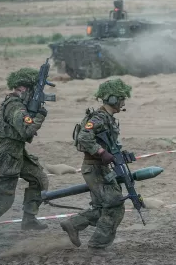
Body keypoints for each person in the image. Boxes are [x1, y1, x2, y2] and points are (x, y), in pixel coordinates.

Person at [0, 68, 50, 241]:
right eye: (31, 90)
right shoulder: (15, 107)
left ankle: (29, 219)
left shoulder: (17, 105)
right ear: (22, 89)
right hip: (6, 155)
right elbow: (27, 132)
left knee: (39, 179)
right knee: (4, 198)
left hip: (17, 152)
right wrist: (39, 117)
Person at [59, 78, 132, 253]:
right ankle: (97, 246)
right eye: (121, 98)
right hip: (95, 168)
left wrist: (118, 155)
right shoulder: (99, 117)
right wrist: (100, 152)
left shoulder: (108, 118)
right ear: (113, 99)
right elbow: (84, 137)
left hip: (100, 168)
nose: (123, 102)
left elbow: (107, 144)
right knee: (115, 205)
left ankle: (73, 224)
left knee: (103, 207)